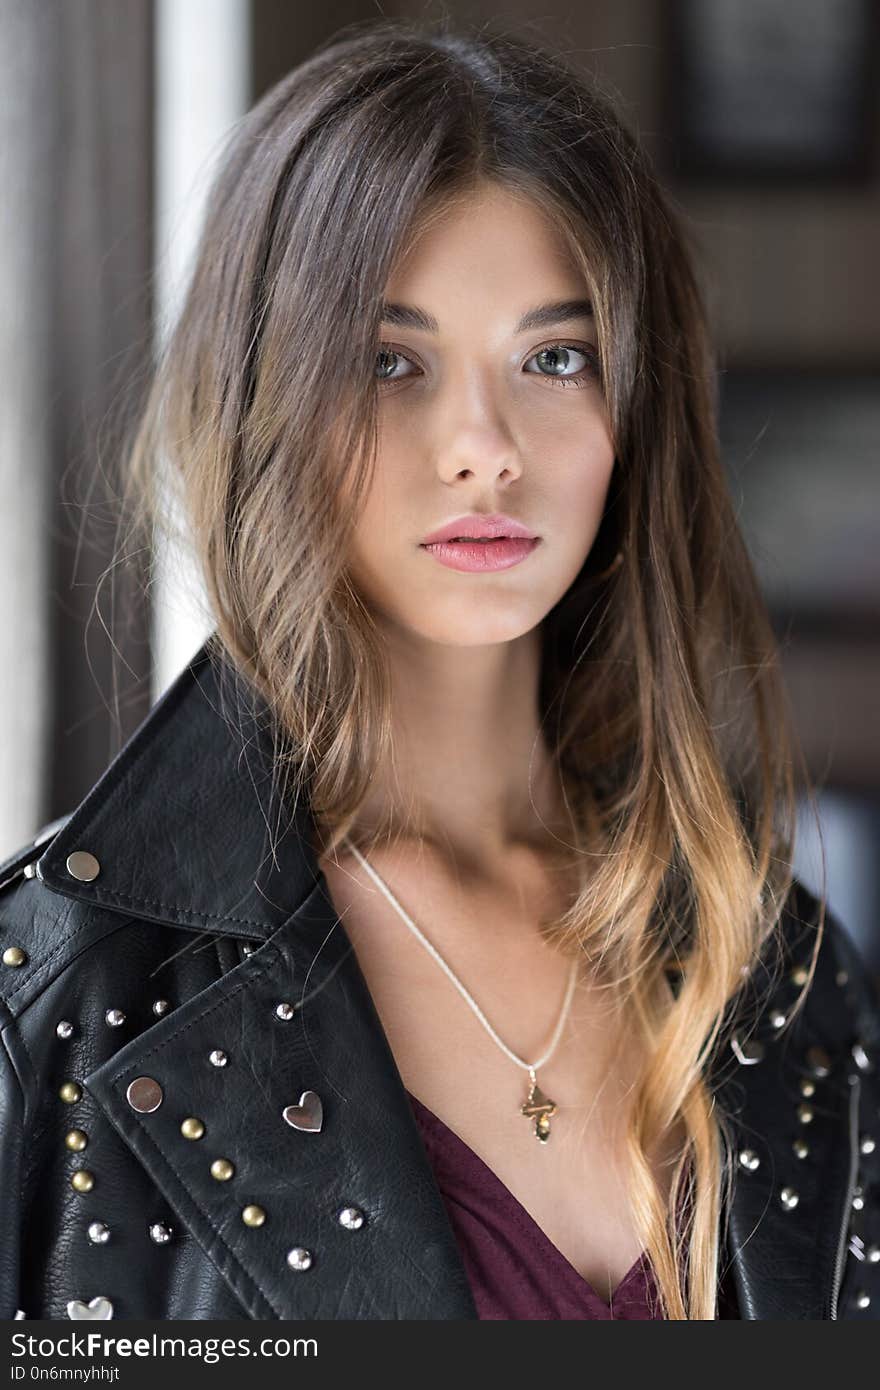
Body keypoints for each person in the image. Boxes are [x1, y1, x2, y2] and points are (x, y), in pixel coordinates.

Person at [1, 17, 878, 1323]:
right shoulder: (66, 983)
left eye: (554, 357)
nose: (483, 447)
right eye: (390, 362)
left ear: (632, 410)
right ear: (266, 401)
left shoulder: (784, 972)